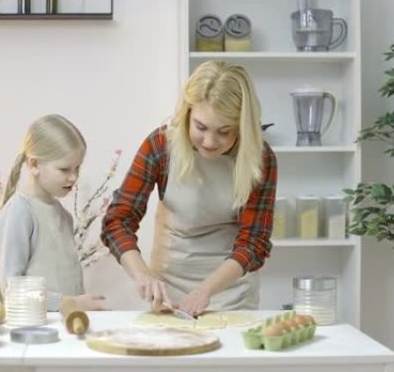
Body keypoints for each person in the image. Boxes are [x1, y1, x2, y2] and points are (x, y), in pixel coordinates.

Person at [101, 60, 277, 316]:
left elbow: (253, 242)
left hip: (232, 292)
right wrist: (142, 276)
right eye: (201, 127)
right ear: (187, 113)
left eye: (225, 132)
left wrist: (205, 290)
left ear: (242, 126)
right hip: (168, 289)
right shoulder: (160, 145)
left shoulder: (260, 158)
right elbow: (118, 220)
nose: (210, 141)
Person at [0, 114, 107, 311]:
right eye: (64, 169)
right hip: (35, 332)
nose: (73, 177)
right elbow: (11, 288)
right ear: (34, 165)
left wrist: (79, 305)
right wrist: (68, 304)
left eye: (77, 168)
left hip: (64, 329)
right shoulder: (20, 212)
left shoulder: (64, 216)